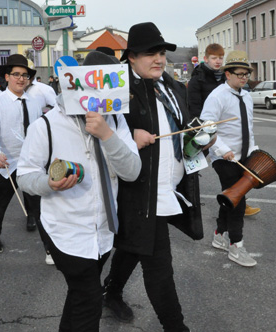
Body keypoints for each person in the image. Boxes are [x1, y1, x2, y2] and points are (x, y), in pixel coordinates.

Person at [17, 50, 140, 332]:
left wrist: (107, 134)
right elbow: (24, 176)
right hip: (64, 231)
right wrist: (49, 183)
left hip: (104, 231)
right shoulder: (46, 125)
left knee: (79, 297)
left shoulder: (117, 120)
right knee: (89, 299)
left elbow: (132, 171)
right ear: (78, 83)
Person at [102, 22, 199, 331]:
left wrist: (201, 138)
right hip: (140, 190)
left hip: (169, 185)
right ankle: (176, 327)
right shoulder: (116, 87)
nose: (158, 59)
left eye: (161, 53)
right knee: (159, 265)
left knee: (134, 245)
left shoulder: (170, 85)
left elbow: (183, 124)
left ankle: (111, 292)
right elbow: (93, 129)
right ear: (131, 56)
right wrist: (131, 133)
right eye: (149, 54)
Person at [199, 50, 259, 267]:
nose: (244, 78)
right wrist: (223, 149)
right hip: (223, 157)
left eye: (246, 74)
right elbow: (206, 127)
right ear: (228, 74)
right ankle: (236, 245)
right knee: (238, 200)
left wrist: (254, 150)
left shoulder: (246, 95)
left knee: (231, 197)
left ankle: (219, 234)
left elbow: (248, 128)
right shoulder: (217, 97)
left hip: (244, 156)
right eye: (240, 74)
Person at [188, 43, 261, 217]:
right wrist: (207, 134)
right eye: (214, 58)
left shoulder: (224, 79)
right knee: (192, 169)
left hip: (223, 131)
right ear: (206, 59)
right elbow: (195, 110)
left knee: (234, 184)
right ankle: (189, 200)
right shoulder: (198, 79)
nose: (218, 61)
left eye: (221, 57)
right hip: (205, 131)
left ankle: (237, 204)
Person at [0, 54, 43, 254]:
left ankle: (50, 248)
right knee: (0, 202)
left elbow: (40, 131)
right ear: (6, 77)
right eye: (16, 74)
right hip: (6, 163)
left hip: (31, 163)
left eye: (25, 75)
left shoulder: (34, 102)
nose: (21, 79)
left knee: (39, 205)